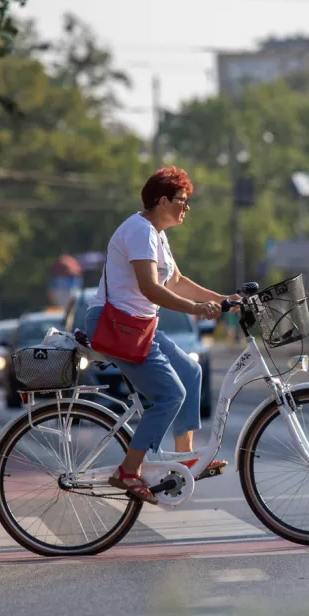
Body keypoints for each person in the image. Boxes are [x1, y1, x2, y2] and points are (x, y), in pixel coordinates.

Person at [83, 166, 236, 504]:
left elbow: (176, 281)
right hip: (116, 327)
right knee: (170, 395)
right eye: (182, 200)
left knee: (191, 371)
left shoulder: (157, 234)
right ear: (162, 201)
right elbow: (150, 288)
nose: (186, 207)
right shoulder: (139, 230)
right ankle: (128, 470)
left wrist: (222, 300)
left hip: (137, 327)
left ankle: (184, 459)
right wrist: (197, 309)